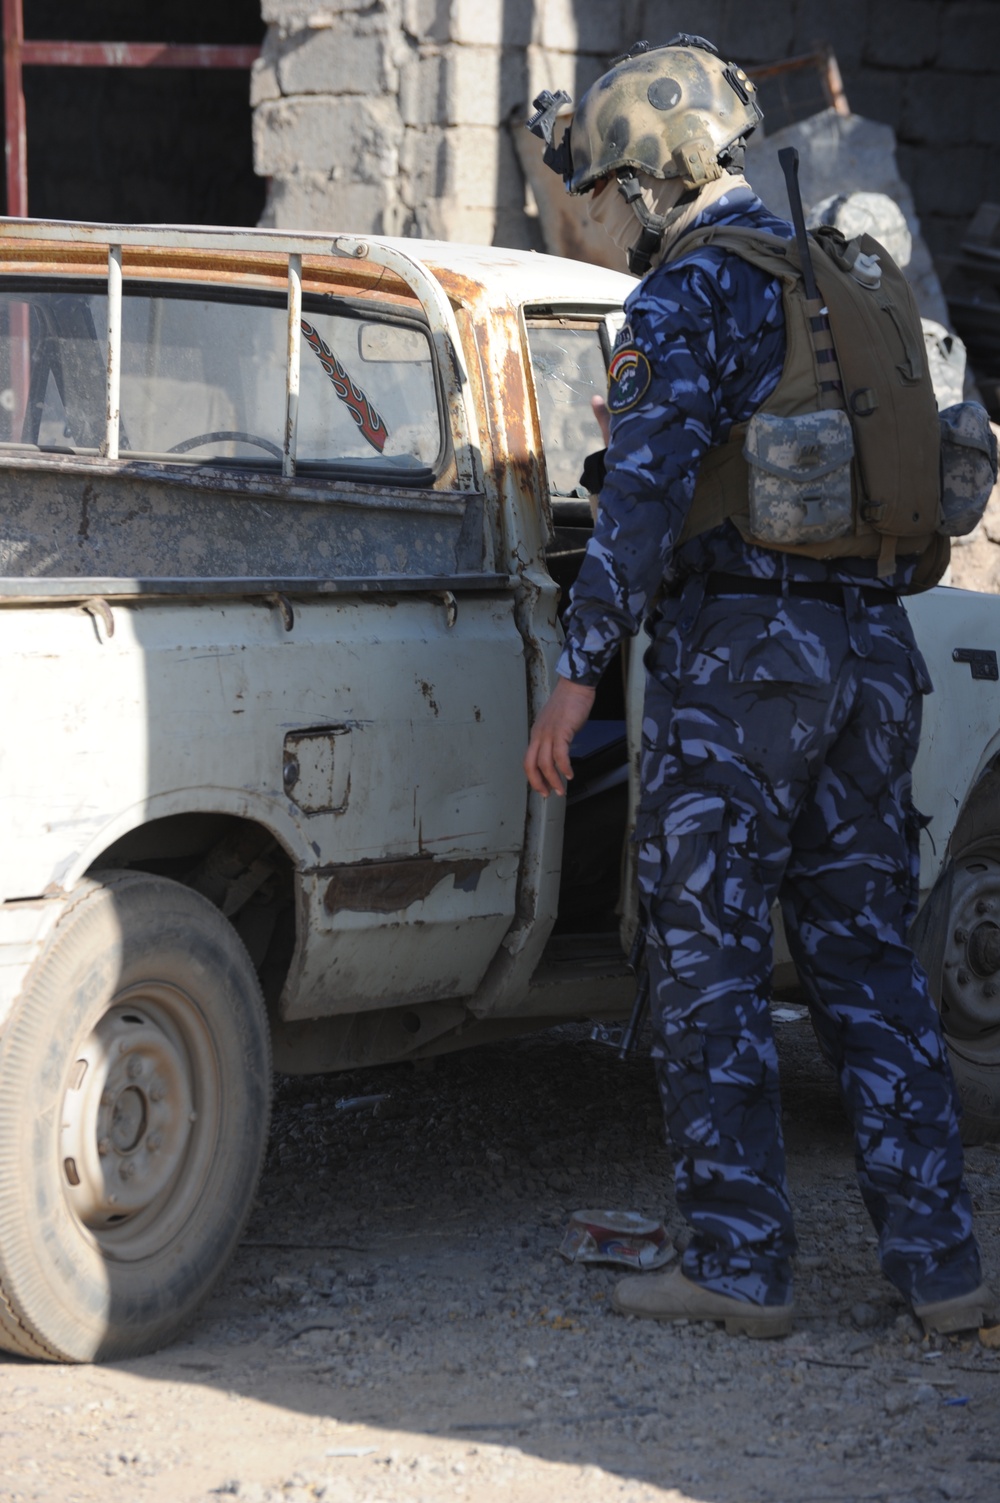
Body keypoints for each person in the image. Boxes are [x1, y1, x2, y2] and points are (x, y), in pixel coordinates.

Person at [524, 35, 996, 1339]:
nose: (612, 214)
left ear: (654, 174)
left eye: (616, 188)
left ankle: (738, 1265)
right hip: (870, 656)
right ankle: (943, 1267)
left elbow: (638, 503)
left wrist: (575, 680)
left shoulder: (688, 297)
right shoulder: (835, 273)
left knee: (712, 960)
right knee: (867, 965)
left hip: (746, 668)